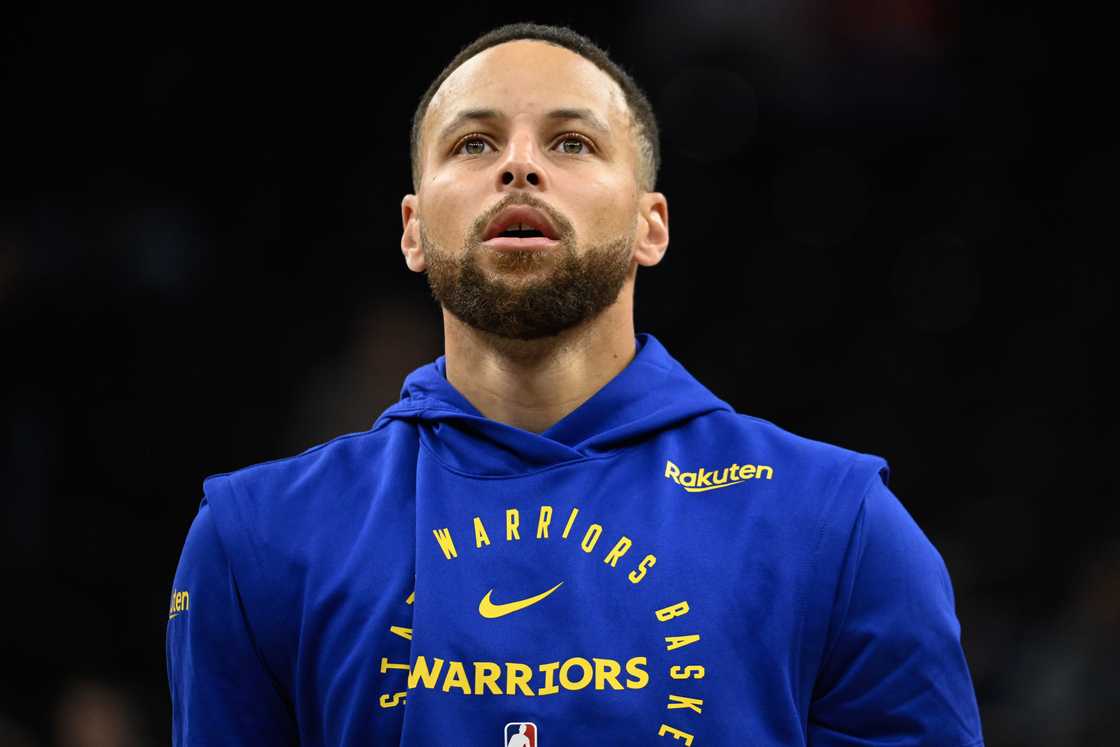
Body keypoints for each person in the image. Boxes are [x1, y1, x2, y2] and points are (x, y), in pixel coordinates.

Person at [166, 22, 985, 746]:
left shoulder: (837, 524)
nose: (519, 166)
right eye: (474, 144)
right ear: (413, 231)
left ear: (649, 226)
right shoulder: (254, 539)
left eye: (571, 144)